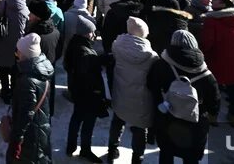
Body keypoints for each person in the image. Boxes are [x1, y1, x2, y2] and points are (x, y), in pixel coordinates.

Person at [147, 30, 220, 164]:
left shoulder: (161, 64)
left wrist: (160, 106)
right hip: (195, 123)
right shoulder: (206, 73)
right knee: (191, 157)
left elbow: (151, 86)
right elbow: (214, 101)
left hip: (167, 119)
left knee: (166, 153)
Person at [107, 17, 158, 163]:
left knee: (117, 122)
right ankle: (137, 157)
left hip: (120, 91)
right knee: (140, 129)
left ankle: (112, 150)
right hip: (140, 98)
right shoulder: (151, 55)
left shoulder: (117, 45)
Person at [64, 19, 106, 163]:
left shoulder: (74, 44)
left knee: (76, 118)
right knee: (88, 122)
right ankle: (85, 149)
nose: (94, 35)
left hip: (76, 90)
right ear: (86, 33)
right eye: (92, 32)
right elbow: (87, 74)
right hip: (88, 93)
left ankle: (71, 146)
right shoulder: (84, 51)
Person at [9, 33, 54, 164]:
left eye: (18, 51)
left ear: (25, 54)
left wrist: (16, 138)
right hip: (41, 126)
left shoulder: (28, 81)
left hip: (31, 134)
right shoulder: (41, 71)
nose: (16, 54)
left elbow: (26, 114)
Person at [0, 0, 30, 103]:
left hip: (2, 40)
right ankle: (13, 92)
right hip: (18, 43)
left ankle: (4, 91)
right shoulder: (24, 7)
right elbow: (27, 24)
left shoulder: (3, 3)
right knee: (15, 70)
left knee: (3, 68)